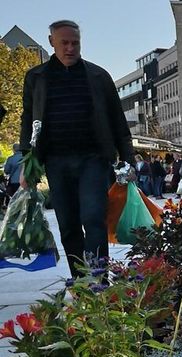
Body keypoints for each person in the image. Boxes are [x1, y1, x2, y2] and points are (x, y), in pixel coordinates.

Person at [18, 19, 134, 276]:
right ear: (52, 43)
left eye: (75, 43)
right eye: (64, 43)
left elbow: (117, 121)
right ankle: (80, 280)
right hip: (56, 161)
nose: (70, 48)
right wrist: (27, 162)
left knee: (93, 219)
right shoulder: (36, 78)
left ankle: (97, 279)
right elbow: (28, 120)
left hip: (92, 159)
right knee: (68, 225)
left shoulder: (98, 76)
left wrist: (128, 160)